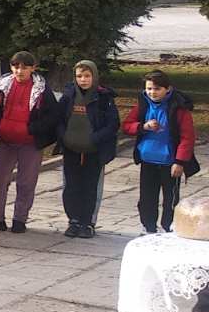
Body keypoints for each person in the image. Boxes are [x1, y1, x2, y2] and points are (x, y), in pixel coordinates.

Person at [0, 51, 58, 233]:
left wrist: (32, 129)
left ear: (33, 68)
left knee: (26, 182)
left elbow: (52, 116)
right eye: (16, 67)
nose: (19, 71)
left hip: (30, 143)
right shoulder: (3, 86)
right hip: (6, 141)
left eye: (24, 67)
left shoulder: (42, 90)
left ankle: (20, 219)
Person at [122, 69, 199, 234]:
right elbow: (127, 125)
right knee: (147, 198)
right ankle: (148, 227)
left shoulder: (179, 109)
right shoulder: (143, 105)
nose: (152, 92)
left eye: (157, 89)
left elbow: (187, 137)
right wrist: (143, 126)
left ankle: (168, 227)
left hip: (170, 163)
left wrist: (179, 162)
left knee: (170, 199)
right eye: (149, 88)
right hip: (148, 161)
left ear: (167, 89)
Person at [55, 59, 119, 239]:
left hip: (94, 152)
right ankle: (73, 220)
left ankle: (88, 222)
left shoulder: (103, 97)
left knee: (91, 187)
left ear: (94, 76)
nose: (83, 80)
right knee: (71, 186)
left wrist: (95, 138)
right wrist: (64, 136)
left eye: (87, 76)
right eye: (79, 76)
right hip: (71, 150)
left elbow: (113, 124)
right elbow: (58, 119)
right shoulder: (68, 96)